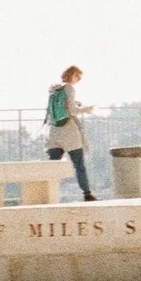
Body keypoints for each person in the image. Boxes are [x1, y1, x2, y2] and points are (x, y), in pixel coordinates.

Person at [43, 65, 96, 201]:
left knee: (52, 166)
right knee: (79, 164)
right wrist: (86, 109)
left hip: (54, 132)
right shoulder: (69, 88)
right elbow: (71, 110)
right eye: (78, 77)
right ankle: (87, 194)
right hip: (69, 131)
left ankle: (45, 195)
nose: (78, 80)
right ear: (73, 75)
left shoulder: (54, 90)